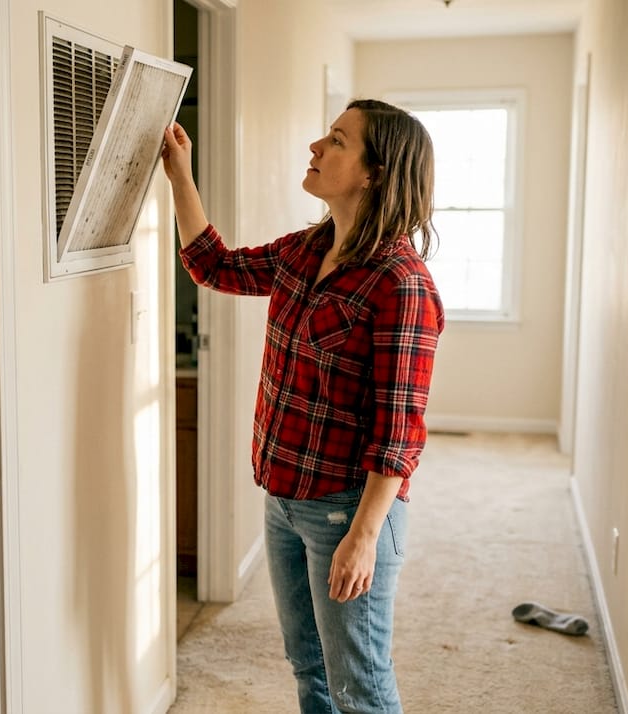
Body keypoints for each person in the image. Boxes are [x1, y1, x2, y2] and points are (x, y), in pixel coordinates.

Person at [160, 98, 444, 713]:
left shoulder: (401, 284)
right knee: (309, 666)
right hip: (283, 497)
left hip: (346, 511)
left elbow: (398, 435)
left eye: (338, 140)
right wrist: (181, 174)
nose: (316, 146)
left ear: (373, 173)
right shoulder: (307, 249)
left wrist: (363, 538)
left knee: (359, 687)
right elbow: (215, 267)